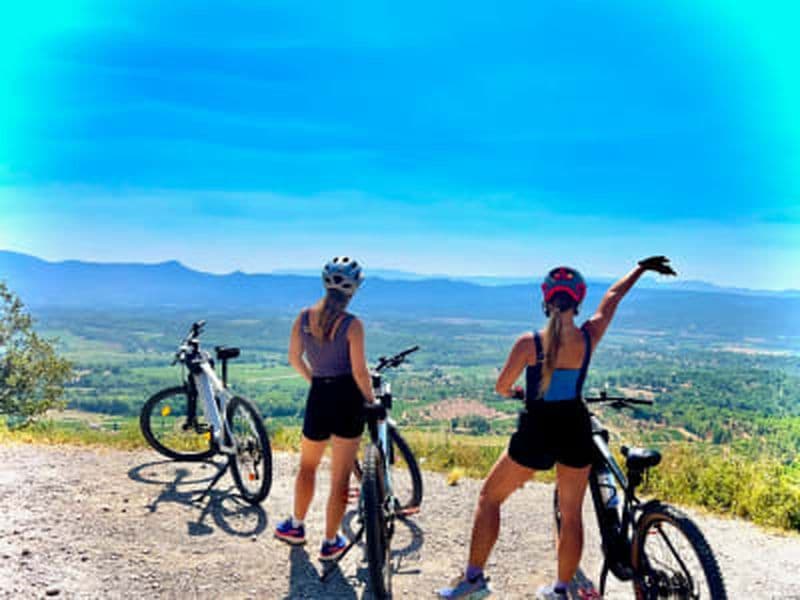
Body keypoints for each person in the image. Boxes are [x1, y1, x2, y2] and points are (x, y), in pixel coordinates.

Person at [438, 256, 676, 599]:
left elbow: (501, 387)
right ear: (577, 302)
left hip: (537, 429)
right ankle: (561, 589)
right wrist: (640, 268)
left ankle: (473, 580)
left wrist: (520, 392)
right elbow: (612, 298)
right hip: (575, 428)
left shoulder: (528, 344)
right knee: (571, 513)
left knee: (489, 498)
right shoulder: (589, 336)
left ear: (546, 301)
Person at [274, 256, 375, 561]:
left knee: (308, 467)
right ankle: (331, 542)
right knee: (340, 476)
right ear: (353, 290)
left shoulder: (303, 318)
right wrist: (370, 400)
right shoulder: (352, 325)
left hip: (318, 395)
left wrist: (314, 381)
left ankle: (296, 525)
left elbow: (294, 358)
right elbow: (359, 371)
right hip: (348, 398)